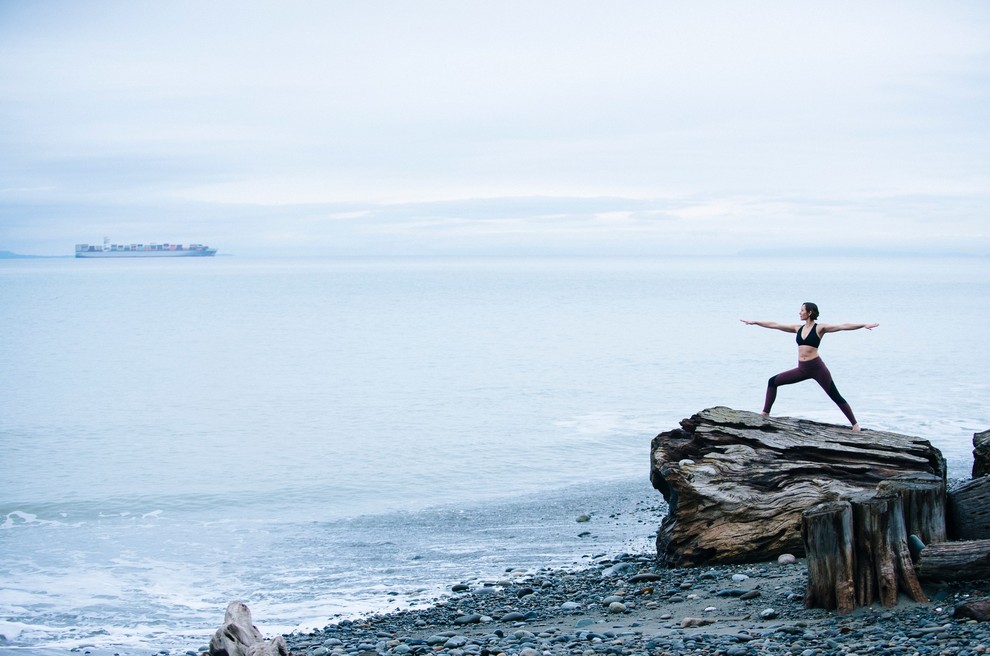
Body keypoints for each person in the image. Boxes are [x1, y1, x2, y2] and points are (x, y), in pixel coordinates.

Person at [740, 302, 878, 431]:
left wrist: (863, 325)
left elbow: (843, 326)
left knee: (835, 395)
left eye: (802, 310)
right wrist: (756, 322)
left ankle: (855, 425)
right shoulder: (797, 328)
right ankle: (765, 414)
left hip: (817, 368)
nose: (799, 313)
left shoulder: (820, 328)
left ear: (810, 312)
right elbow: (775, 324)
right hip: (802, 369)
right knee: (773, 382)